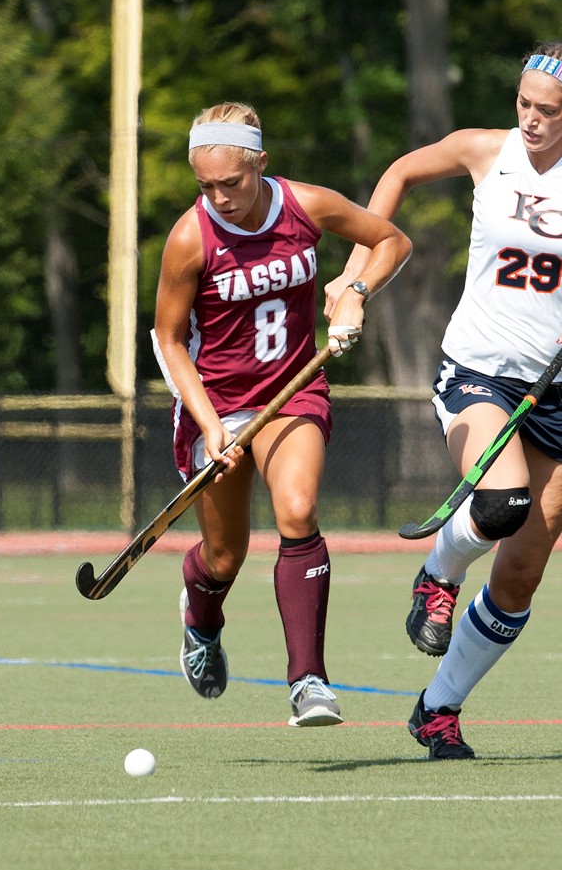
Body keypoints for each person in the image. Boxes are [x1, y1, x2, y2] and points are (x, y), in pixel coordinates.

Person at [325, 41, 562, 756]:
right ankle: (439, 571)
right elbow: (398, 172)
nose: (531, 120)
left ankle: (438, 708)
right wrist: (351, 276)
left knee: (522, 570)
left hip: (555, 389)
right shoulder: (484, 151)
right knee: (499, 505)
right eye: (524, 104)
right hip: (479, 371)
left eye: (548, 111)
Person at [152, 101, 411, 727]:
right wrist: (211, 425)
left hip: (294, 389)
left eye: (231, 183)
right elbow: (167, 339)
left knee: (296, 508)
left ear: (260, 165)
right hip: (214, 405)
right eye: (205, 185)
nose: (219, 197)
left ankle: (309, 682)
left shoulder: (307, 205)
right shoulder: (191, 237)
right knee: (224, 558)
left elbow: (391, 240)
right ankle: (201, 615)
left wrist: (354, 293)